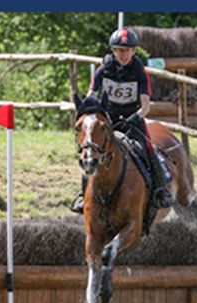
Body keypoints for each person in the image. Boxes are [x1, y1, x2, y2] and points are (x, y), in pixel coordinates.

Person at [70, 28, 173, 213]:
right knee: (89, 150)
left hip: (133, 119)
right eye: (119, 50)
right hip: (108, 121)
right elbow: (91, 95)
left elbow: (146, 107)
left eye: (127, 50)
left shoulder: (140, 72)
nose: (123, 54)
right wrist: (87, 111)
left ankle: (160, 190)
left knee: (147, 148)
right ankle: (82, 194)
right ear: (113, 51)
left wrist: (134, 118)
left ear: (134, 51)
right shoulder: (103, 70)